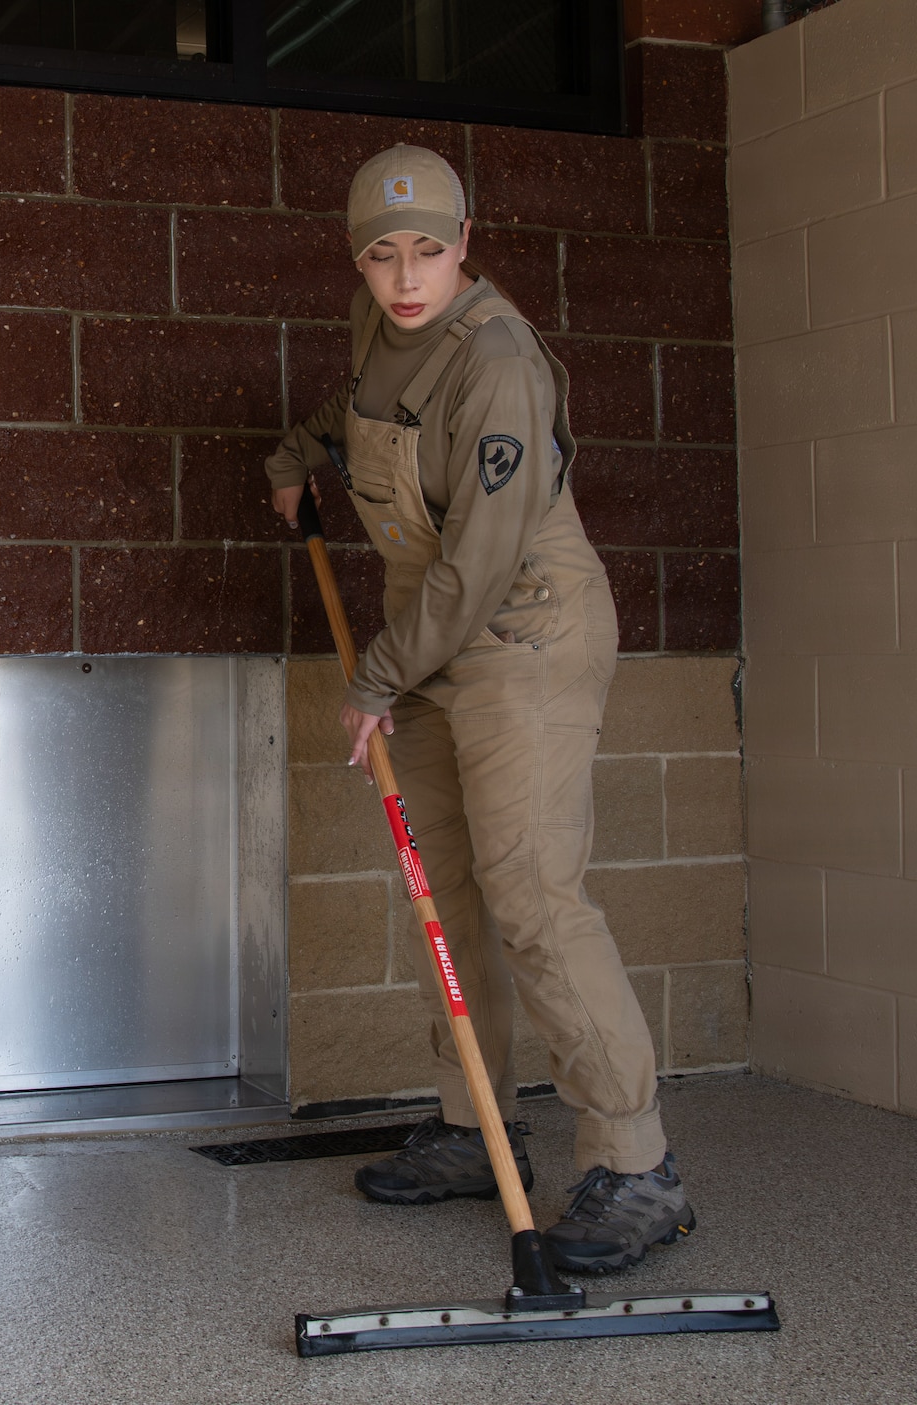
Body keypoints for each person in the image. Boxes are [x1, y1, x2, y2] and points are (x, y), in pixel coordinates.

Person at [265, 145, 691, 1274]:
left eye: (428, 249)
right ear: (356, 260)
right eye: (380, 253)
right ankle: (474, 1129)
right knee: (442, 891)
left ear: (466, 242)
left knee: (533, 895)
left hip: (522, 638)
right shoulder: (380, 326)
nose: (406, 276)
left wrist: (372, 679)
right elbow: (357, 414)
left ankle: (636, 1162)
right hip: (434, 640)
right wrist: (298, 451)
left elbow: (483, 558)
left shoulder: (497, 361)